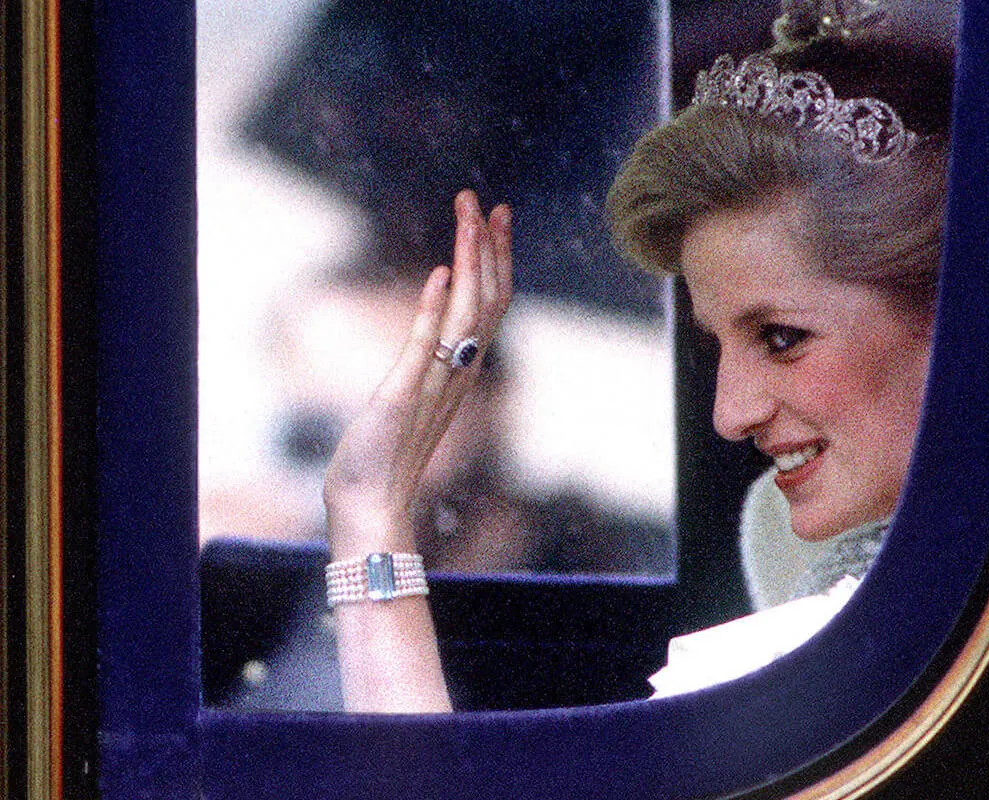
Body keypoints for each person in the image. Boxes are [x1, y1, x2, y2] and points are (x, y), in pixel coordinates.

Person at [320, 10, 952, 710]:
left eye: (781, 338)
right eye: (717, 347)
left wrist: (368, 514)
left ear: (954, 318)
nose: (730, 415)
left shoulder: (803, 669)